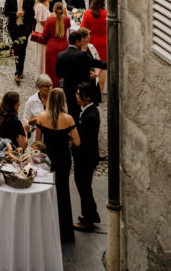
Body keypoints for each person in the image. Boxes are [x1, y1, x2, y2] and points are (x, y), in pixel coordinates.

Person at [35, 87, 80, 244]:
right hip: (63, 158)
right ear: (62, 101)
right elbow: (77, 142)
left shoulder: (41, 117)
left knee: (47, 190)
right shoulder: (68, 119)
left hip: (49, 158)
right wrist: (66, 135)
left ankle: (46, 228)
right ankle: (65, 233)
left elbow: (38, 142)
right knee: (63, 191)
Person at [55, 29, 107, 122]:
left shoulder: (60, 55)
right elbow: (96, 63)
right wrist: (110, 65)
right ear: (77, 42)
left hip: (68, 88)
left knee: (71, 110)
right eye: (80, 41)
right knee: (82, 111)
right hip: (81, 88)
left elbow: (58, 73)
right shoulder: (81, 55)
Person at [73, 81, 101, 231]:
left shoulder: (91, 116)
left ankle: (88, 219)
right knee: (83, 185)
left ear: (88, 97)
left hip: (86, 157)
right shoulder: (85, 110)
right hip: (83, 156)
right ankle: (91, 213)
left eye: (80, 95)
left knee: (83, 186)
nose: (77, 97)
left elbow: (83, 139)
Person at [3, 0, 35, 83]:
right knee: (17, 49)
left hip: (24, 28)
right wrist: (16, 14)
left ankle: (18, 72)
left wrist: (30, 28)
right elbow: (6, 12)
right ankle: (19, 69)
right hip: (14, 27)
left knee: (22, 49)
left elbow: (32, 14)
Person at [81, 0, 107, 94]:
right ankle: (100, 92)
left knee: (90, 66)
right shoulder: (106, 13)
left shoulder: (88, 13)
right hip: (103, 42)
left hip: (91, 42)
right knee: (102, 66)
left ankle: (89, 92)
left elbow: (82, 29)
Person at [42, 1, 71, 87]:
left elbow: (44, 35)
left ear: (53, 9)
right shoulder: (66, 20)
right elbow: (69, 25)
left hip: (52, 46)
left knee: (51, 68)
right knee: (63, 66)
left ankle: (51, 85)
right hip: (64, 45)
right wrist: (65, 13)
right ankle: (62, 84)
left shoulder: (50, 20)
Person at [33, 0, 53, 76]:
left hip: (43, 28)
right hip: (42, 30)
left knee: (45, 53)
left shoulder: (44, 5)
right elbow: (42, 21)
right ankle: (41, 74)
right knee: (42, 53)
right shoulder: (40, 6)